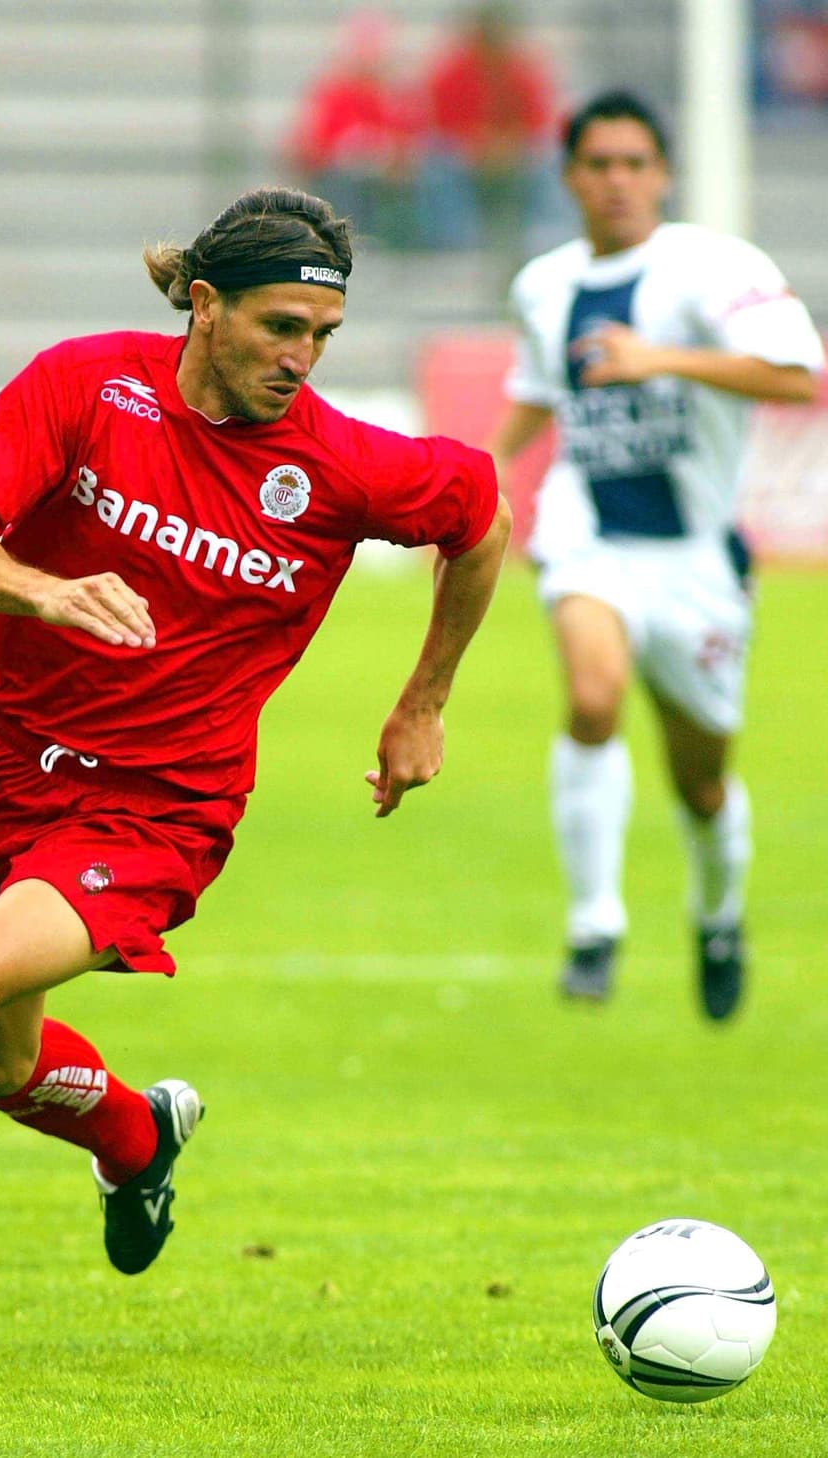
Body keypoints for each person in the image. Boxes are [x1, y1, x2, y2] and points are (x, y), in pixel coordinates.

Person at [0, 186, 511, 1358]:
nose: (301, 360)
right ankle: (135, 1138)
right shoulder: (84, 384)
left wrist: (420, 702)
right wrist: (44, 589)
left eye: (322, 337)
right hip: (0, 763)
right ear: (205, 306)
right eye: (280, 328)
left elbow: (479, 512)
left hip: (157, 807)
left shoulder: (338, 466)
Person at [485, 91, 823, 1019]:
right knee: (592, 699)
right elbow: (538, 391)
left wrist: (660, 361)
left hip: (698, 559)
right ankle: (595, 925)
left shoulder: (715, 268)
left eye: (635, 163)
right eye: (598, 164)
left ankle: (718, 915)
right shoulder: (543, 283)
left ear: (664, 173)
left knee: (701, 779)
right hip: (589, 530)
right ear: (571, 177)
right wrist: (477, 474)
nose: (617, 181)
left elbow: (796, 375)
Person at [418, 4, 563, 263]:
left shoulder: (523, 70)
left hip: (513, 155)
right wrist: (477, 146)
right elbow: (439, 126)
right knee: (436, 164)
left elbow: (538, 124)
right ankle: (457, 246)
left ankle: (546, 239)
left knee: (553, 161)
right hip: (465, 155)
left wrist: (507, 148)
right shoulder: (452, 71)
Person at [286, 8, 426, 250]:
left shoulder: (398, 94)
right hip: (342, 177)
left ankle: (410, 251)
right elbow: (315, 146)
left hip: (391, 179)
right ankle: (347, 246)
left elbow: (414, 141)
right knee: (345, 185)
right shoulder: (333, 93)